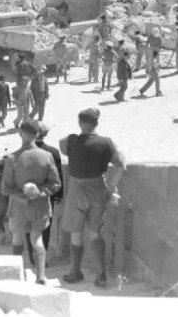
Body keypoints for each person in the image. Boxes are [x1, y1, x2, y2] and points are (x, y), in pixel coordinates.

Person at [58, 108, 125, 287]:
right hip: (98, 188)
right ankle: (102, 274)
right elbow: (120, 165)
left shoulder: (70, 141)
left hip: (77, 188)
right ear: (96, 123)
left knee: (76, 232)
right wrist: (111, 186)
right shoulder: (107, 143)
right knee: (95, 232)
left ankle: (75, 271)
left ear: (80, 123)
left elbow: (61, 144)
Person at [2, 122, 61, 284]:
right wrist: (39, 193)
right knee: (37, 239)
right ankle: (40, 275)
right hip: (40, 206)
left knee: (17, 239)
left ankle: (16, 276)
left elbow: (6, 188)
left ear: (21, 134)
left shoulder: (12, 158)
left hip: (18, 207)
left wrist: (23, 196)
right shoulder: (47, 156)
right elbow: (56, 184)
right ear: (37, 135)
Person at [32, 122, 64, 262]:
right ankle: (42, 258)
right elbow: (58, 176)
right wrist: (59, 194)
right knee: (45, 227)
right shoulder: (53, 152)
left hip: (29, 194)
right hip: (47, 194)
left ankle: (33, 257)